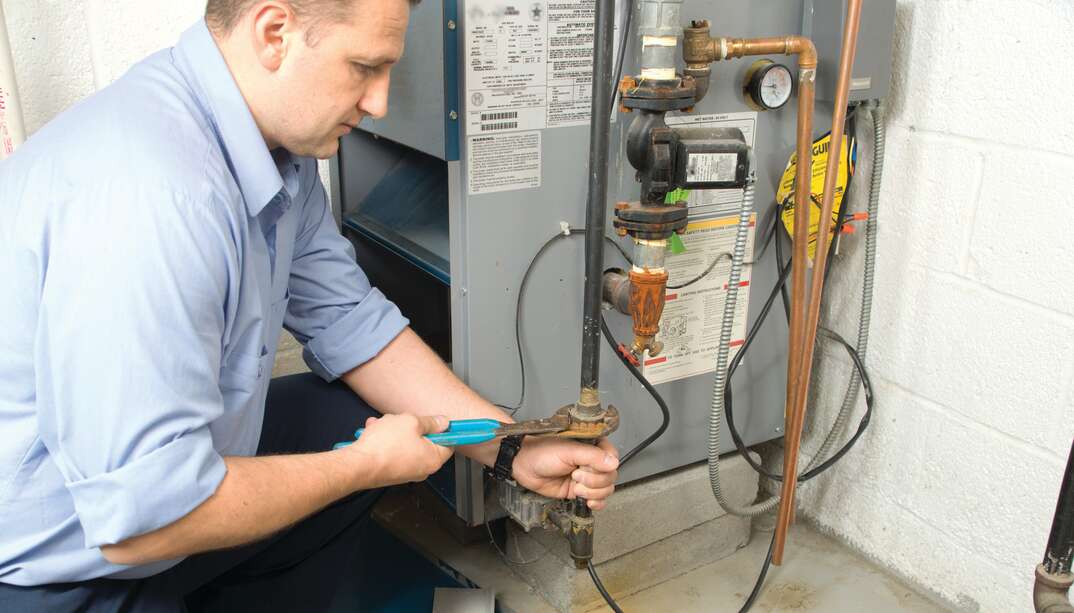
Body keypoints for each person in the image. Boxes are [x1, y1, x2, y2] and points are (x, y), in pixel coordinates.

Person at [0, 0, 619, 610]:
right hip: (65, 566)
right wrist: (360, 468)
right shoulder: (155, 198)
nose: (380, 102)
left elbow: (351, 322)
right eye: (363, 67)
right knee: (350, 453)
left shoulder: (274, 152)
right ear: (275, 33)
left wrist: (511, 450)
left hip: (151, 502)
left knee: (341, 412)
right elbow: (140, 518)